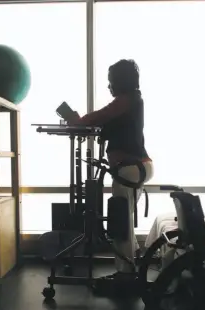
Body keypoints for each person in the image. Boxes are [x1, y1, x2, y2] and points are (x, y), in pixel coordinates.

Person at [66, 59, 154, 288]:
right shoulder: (132, 100)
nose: (109, 86)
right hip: (134, 168)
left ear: (120, 82)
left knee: (121, 222)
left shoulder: (126, 100)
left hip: (131, 168)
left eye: (111, 82)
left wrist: (78, 121)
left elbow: (99, 116)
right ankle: (130, 268)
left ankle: (125, 275)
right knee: (124, 219)